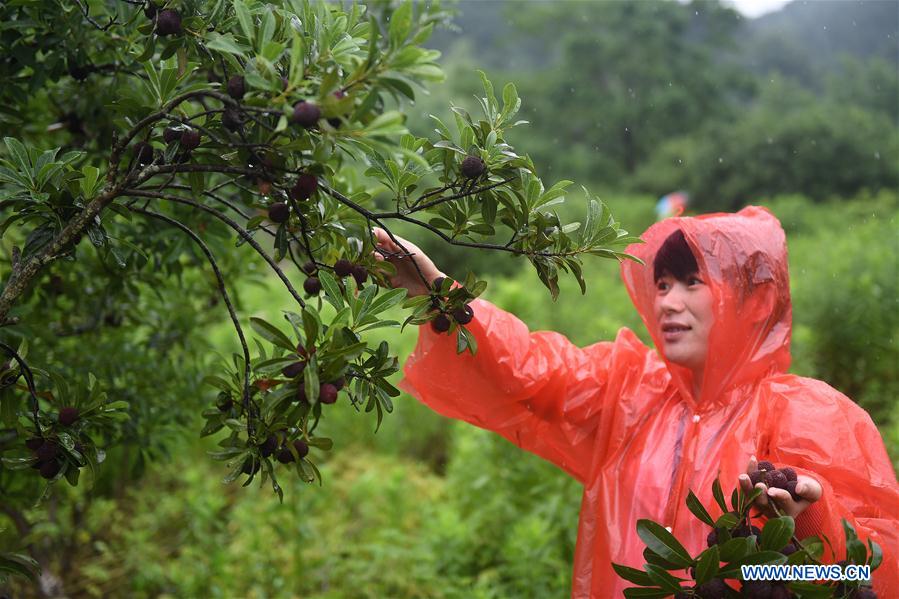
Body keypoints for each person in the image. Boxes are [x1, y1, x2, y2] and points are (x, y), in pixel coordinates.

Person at [371, 206, 899, 597]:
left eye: (694, 282)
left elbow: (864, 572)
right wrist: (440, 292)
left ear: (755, 298)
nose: (668, 300)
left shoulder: (809, 416)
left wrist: (805, 530)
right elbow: (527, 369)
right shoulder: (630, 390)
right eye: (662, 283)